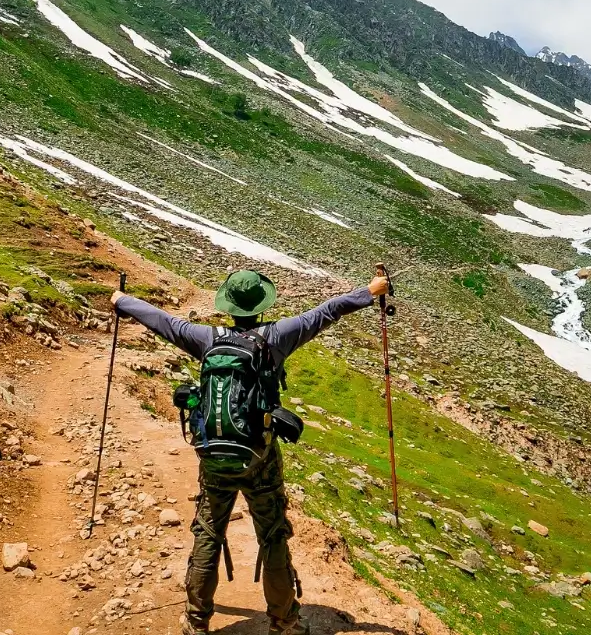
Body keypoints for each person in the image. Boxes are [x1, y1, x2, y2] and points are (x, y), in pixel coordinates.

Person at [111, 267, 391, 635]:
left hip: (213, 455)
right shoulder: (277, 336)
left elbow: (164, 322)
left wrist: (122, 301)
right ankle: (284, 622)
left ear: (229, 306)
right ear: (262, 306)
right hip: (260, 456)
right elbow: (327, 311)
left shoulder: (206, 338)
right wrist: (370, 291)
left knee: (208, 532)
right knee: (272, 534)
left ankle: (196, 621)